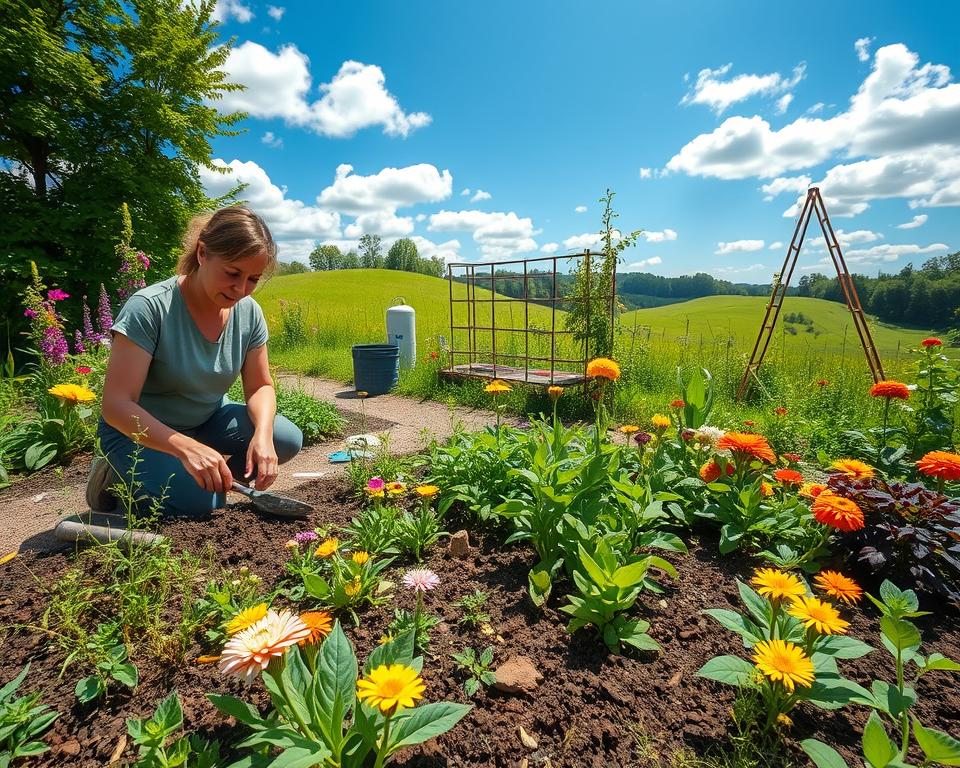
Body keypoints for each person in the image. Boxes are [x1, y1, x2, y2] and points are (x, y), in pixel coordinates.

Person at [88, 205, 303, 516]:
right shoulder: (149, 308)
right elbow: (116, 405)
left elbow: (260, 386)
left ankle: (196, 478)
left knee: (285, 439)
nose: (241, 289)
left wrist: (263, 435)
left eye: (253, 279)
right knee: (203, 504)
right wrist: (186, 449)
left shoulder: (248, 312)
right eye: (232, 273)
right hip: (137, 432)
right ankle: (117, 478)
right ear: (202, 253)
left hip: (205, 421)